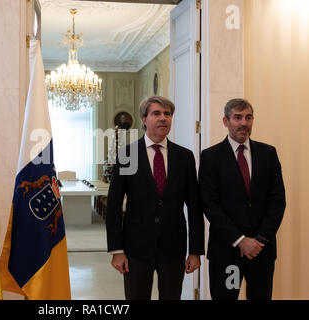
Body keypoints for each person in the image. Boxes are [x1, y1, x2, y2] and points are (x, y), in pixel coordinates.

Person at [105, 96, 205, 300]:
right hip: (136, 248)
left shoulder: (184, 157)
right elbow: (114, 205)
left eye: (167, 114)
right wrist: (117, 249)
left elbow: (194, 206)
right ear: (144, 119)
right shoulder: (127, 155)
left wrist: (195, 251)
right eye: (156, 113)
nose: (163, 118)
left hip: (173, 247)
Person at [198, 98, 286, 300]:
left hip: (261, 252)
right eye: (237, 117)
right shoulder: (211, 157)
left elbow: (278, 201)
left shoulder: (268, 154)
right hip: (226, 252)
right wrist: (240, 240)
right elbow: (210, 204)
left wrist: (259, 240)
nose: (243, 123)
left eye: (248, 117)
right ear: (225, 121)